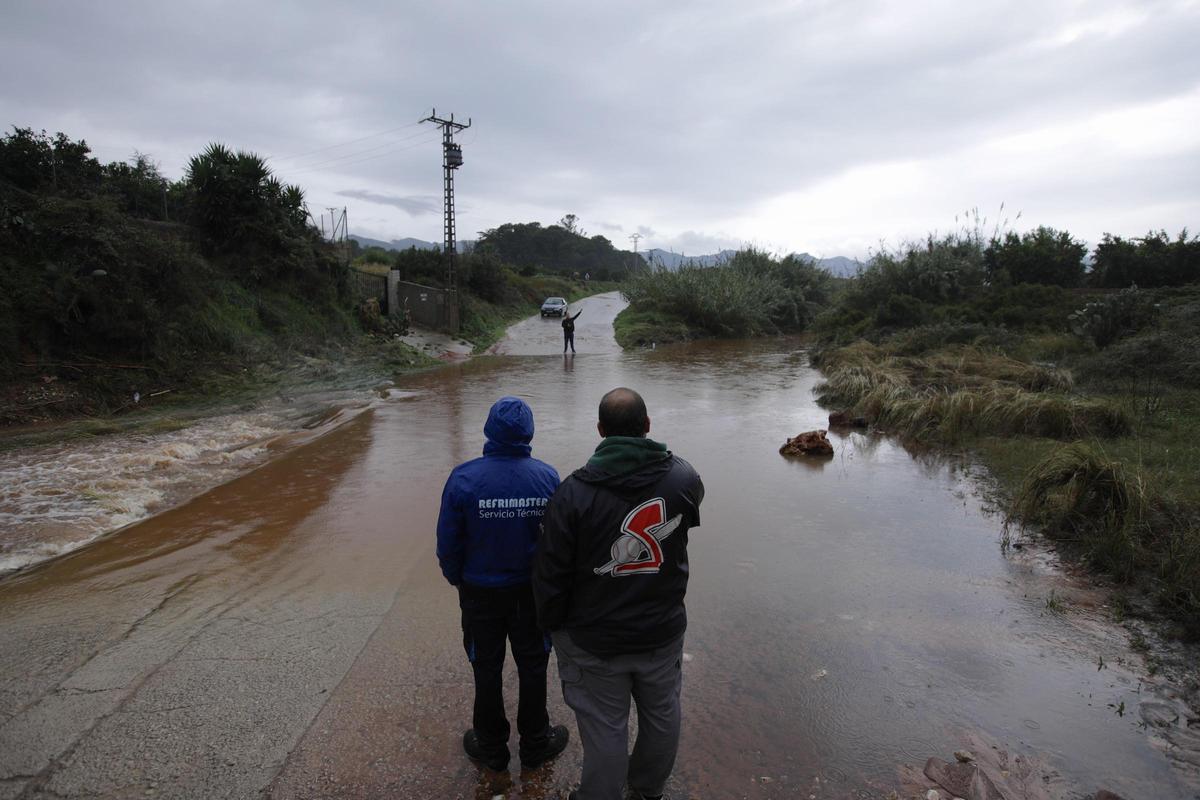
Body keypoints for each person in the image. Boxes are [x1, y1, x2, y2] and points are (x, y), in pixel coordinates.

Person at [533, 388, 704, 800]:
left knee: (605, 726)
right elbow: (687, 513)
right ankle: (646, 791)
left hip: (594, 639)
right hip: (660, 632)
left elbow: (550, 575)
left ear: (600, 431)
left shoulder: (572, 493)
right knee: (662, 713)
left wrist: (552, 627)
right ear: (647, 427)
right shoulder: (682, 479)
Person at [436, 396, 570, 772]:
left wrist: (456, 578)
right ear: (528, 432)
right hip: (531, 594)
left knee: (486, 666)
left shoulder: (464, 478)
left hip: (480, 593)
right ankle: (535, 743)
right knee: (533, 666)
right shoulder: (547, 477)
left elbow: (448, 541)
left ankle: (492, 747)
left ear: (489, 430)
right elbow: (557, 543)